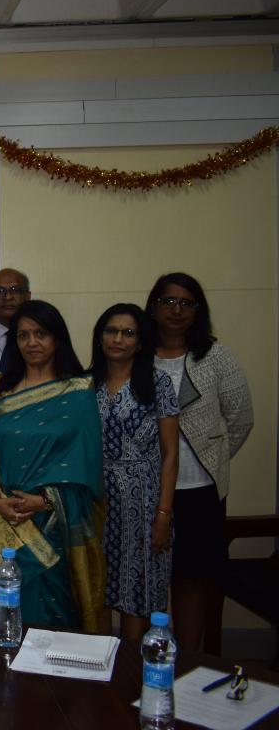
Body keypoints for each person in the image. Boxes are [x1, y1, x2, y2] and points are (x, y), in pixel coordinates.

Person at [0, 300, 105, 632]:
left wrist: (46, 501)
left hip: (56, 521)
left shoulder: (79, 390)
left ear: (57, 338)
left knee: (54, 608)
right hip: (8, 514)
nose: (31, 343)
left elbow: (87, 466)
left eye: (40, 334)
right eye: (23, 335)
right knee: (4, 606)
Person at [147, 272, 253, 651]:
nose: (176, 310)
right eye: (168, 301)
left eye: (186, 303)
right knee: (149, 580)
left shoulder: (214, 355)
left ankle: (189, 665)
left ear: (198, 309)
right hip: (149, 491)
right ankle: (147, 662)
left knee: (191, 580)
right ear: (154, 307)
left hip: (200, 491)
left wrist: (212, 457)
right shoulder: (139, 355)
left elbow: (241, 418)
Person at [89, 303, 179, 644]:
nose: (118, 339)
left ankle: (128, 676)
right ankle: (98, 678)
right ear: (100, 338)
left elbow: (171, 455)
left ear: (140, 343)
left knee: (136, 595)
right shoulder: (86, 385)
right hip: (97, 502)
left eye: (128, 333)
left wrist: (163, 515)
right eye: (111, 331)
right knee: (97, 588)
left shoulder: (158, 384)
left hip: (143, 502)